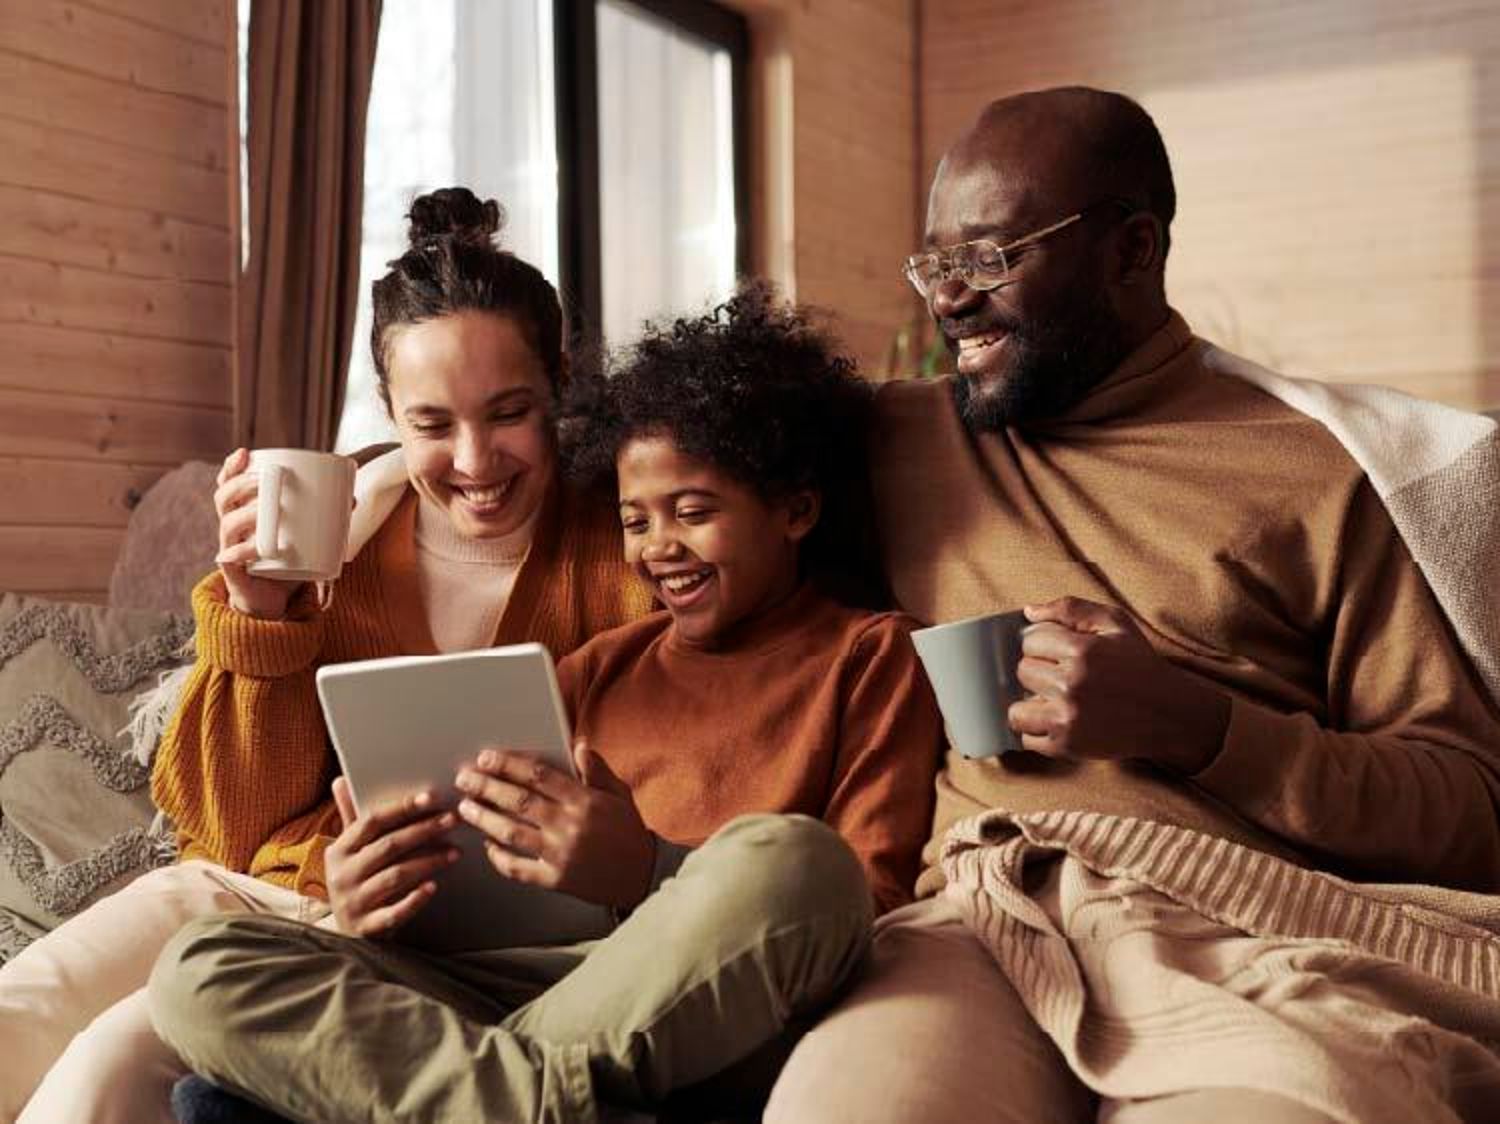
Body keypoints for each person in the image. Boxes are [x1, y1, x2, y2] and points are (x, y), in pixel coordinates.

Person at [766, 87, 1500, 1124]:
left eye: (988, 259)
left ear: (1131, 248)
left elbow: (1473, 811)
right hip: (979, 911)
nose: (949, 303)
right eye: (936, 265)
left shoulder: (1322, 474)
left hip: (1250, 931)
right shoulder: (892, 445)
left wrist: (1200, 727)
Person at [146, 286, 944, 1123]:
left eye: (694, 512)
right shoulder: (596, 666)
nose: (659, 547)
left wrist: (645, 872)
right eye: (635, 521)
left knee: (794, 863)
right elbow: (483, 890)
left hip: (692, 1000)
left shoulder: (870, 654)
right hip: (513, 983)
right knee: (201, 967)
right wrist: (364, 900)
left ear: (796, 511)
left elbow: (862, 906)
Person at [2, 187, 654, 1122]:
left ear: (559, 384)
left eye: (508, 412)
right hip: (268, 886)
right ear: (388, 409)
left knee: (107, 1070)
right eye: (431, 424)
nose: (475, 460)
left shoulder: (630, 554)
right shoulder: (333, 544)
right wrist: (259, 615)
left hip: (432, 934)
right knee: (15, 1013)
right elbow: (228, 833)